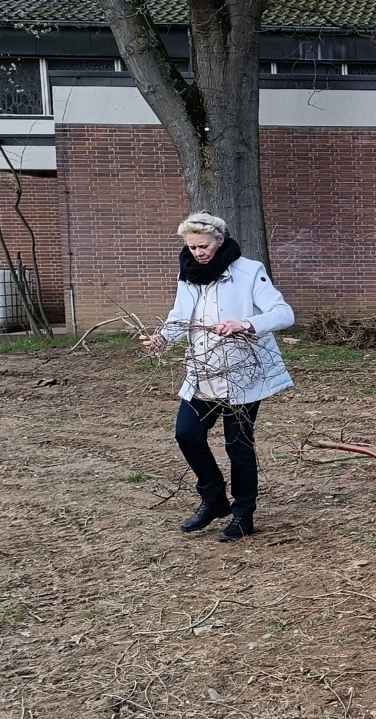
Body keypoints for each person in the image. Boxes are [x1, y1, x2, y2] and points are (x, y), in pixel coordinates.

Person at [140, 212, 295, 542]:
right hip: (203, 371)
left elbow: (283, 313)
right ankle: (213, 499)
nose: (198, 252)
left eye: (204, 246)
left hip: (242, 374)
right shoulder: (188, 274)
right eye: (192, 247)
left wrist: (246, 324)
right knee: (187, 434)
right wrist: (162, 340)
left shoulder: (249, 271)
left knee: (238, 445)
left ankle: (243, 515)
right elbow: (180, 318)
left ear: (220, 241)